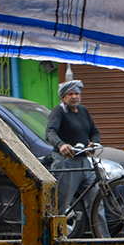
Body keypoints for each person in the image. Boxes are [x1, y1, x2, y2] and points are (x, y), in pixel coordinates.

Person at [45, 79, 109, 233]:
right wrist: (62, 145)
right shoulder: (58, 112)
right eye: (70, 94)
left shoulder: (83, 111)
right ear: (63, 97)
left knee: (96, 203)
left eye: (76, 94)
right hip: (66, 163)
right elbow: (50, 132)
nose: (74, 97)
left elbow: (94, 131)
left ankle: (105, 241)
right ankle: (53, 238)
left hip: (84, 162)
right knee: (61, 204)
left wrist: (93, 143)